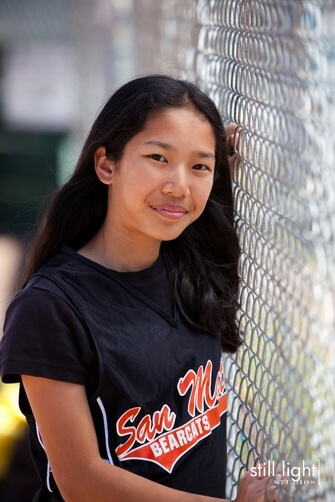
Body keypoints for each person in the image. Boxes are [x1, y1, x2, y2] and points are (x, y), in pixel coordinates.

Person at [0, 75, 282, 502]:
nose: (179, 185)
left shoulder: (193, 267)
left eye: (199, 166)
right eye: (157, 157)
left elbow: (201, 201)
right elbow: (82, 482)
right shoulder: (50, 307)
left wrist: (210, 165)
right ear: (106, 164)